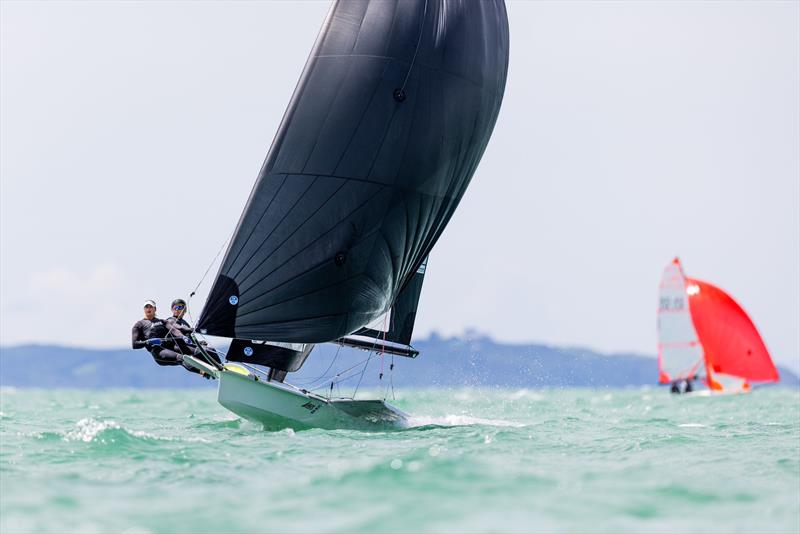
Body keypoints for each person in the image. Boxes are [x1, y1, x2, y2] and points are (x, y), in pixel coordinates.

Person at [164, 298, 223, 368]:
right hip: (181, 348)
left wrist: (199, 342)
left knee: (211, 350)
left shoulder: (185, 323)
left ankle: (218, 367)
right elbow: (180, 328)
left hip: (190, 346)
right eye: (176, 307)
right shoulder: (170, 320)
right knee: (206, 351)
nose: (178, 309)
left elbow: (190, 337)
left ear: (185, 311)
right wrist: (193, 329)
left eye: (181, 307)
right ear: (172, 309)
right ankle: (219, 368)